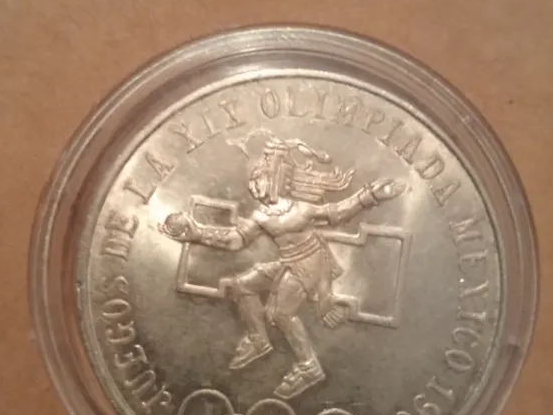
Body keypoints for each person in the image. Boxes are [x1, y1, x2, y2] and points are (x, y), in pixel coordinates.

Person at [160, 134, 404, 400]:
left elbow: (337, 211)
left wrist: (369, 196)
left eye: (259, 179)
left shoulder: (302, 209)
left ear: (276, 178)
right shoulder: (261, 215)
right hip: (290, 262)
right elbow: (235, 240)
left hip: (312, 263)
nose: (254, 186)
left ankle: (309, 366)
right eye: (253, 180)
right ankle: (258, 339)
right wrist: (198, 233)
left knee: (280, 314)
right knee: (242, 286)